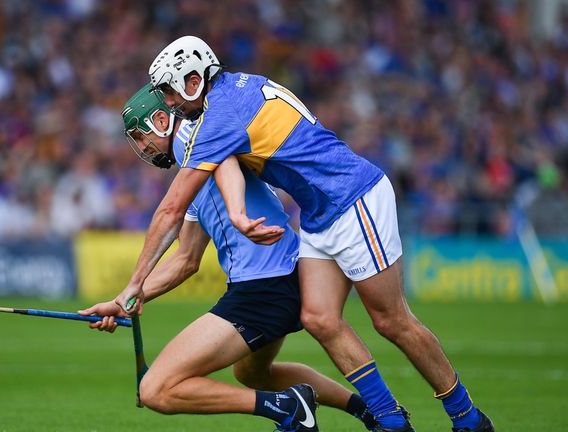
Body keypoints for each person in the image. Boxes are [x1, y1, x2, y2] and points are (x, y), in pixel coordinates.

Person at [116, 36, 494, 432]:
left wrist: (137, 282)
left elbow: (172, 209)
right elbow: (223, 166)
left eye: (171, 92)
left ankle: (467, 417)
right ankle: (388, 419)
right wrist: (237, 212)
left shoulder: (220, 112)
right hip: (318, 212)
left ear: (194, 81)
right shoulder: (231, 93)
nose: (171, 103)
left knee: (391, 321)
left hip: (352, 195)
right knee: (318, 318)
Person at [80, 84, 380, 432]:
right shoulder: (193, 168)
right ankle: (368, 410)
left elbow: (218, 166)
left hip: (265, 285)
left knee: (156, 390)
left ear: (161, 120)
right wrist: (126, 300)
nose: (142, 147)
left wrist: (236, 213)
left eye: (139, 135)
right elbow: (186, 259)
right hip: (283, 275)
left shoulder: (193, 139)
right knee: (253, 373)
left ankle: (287, 408)